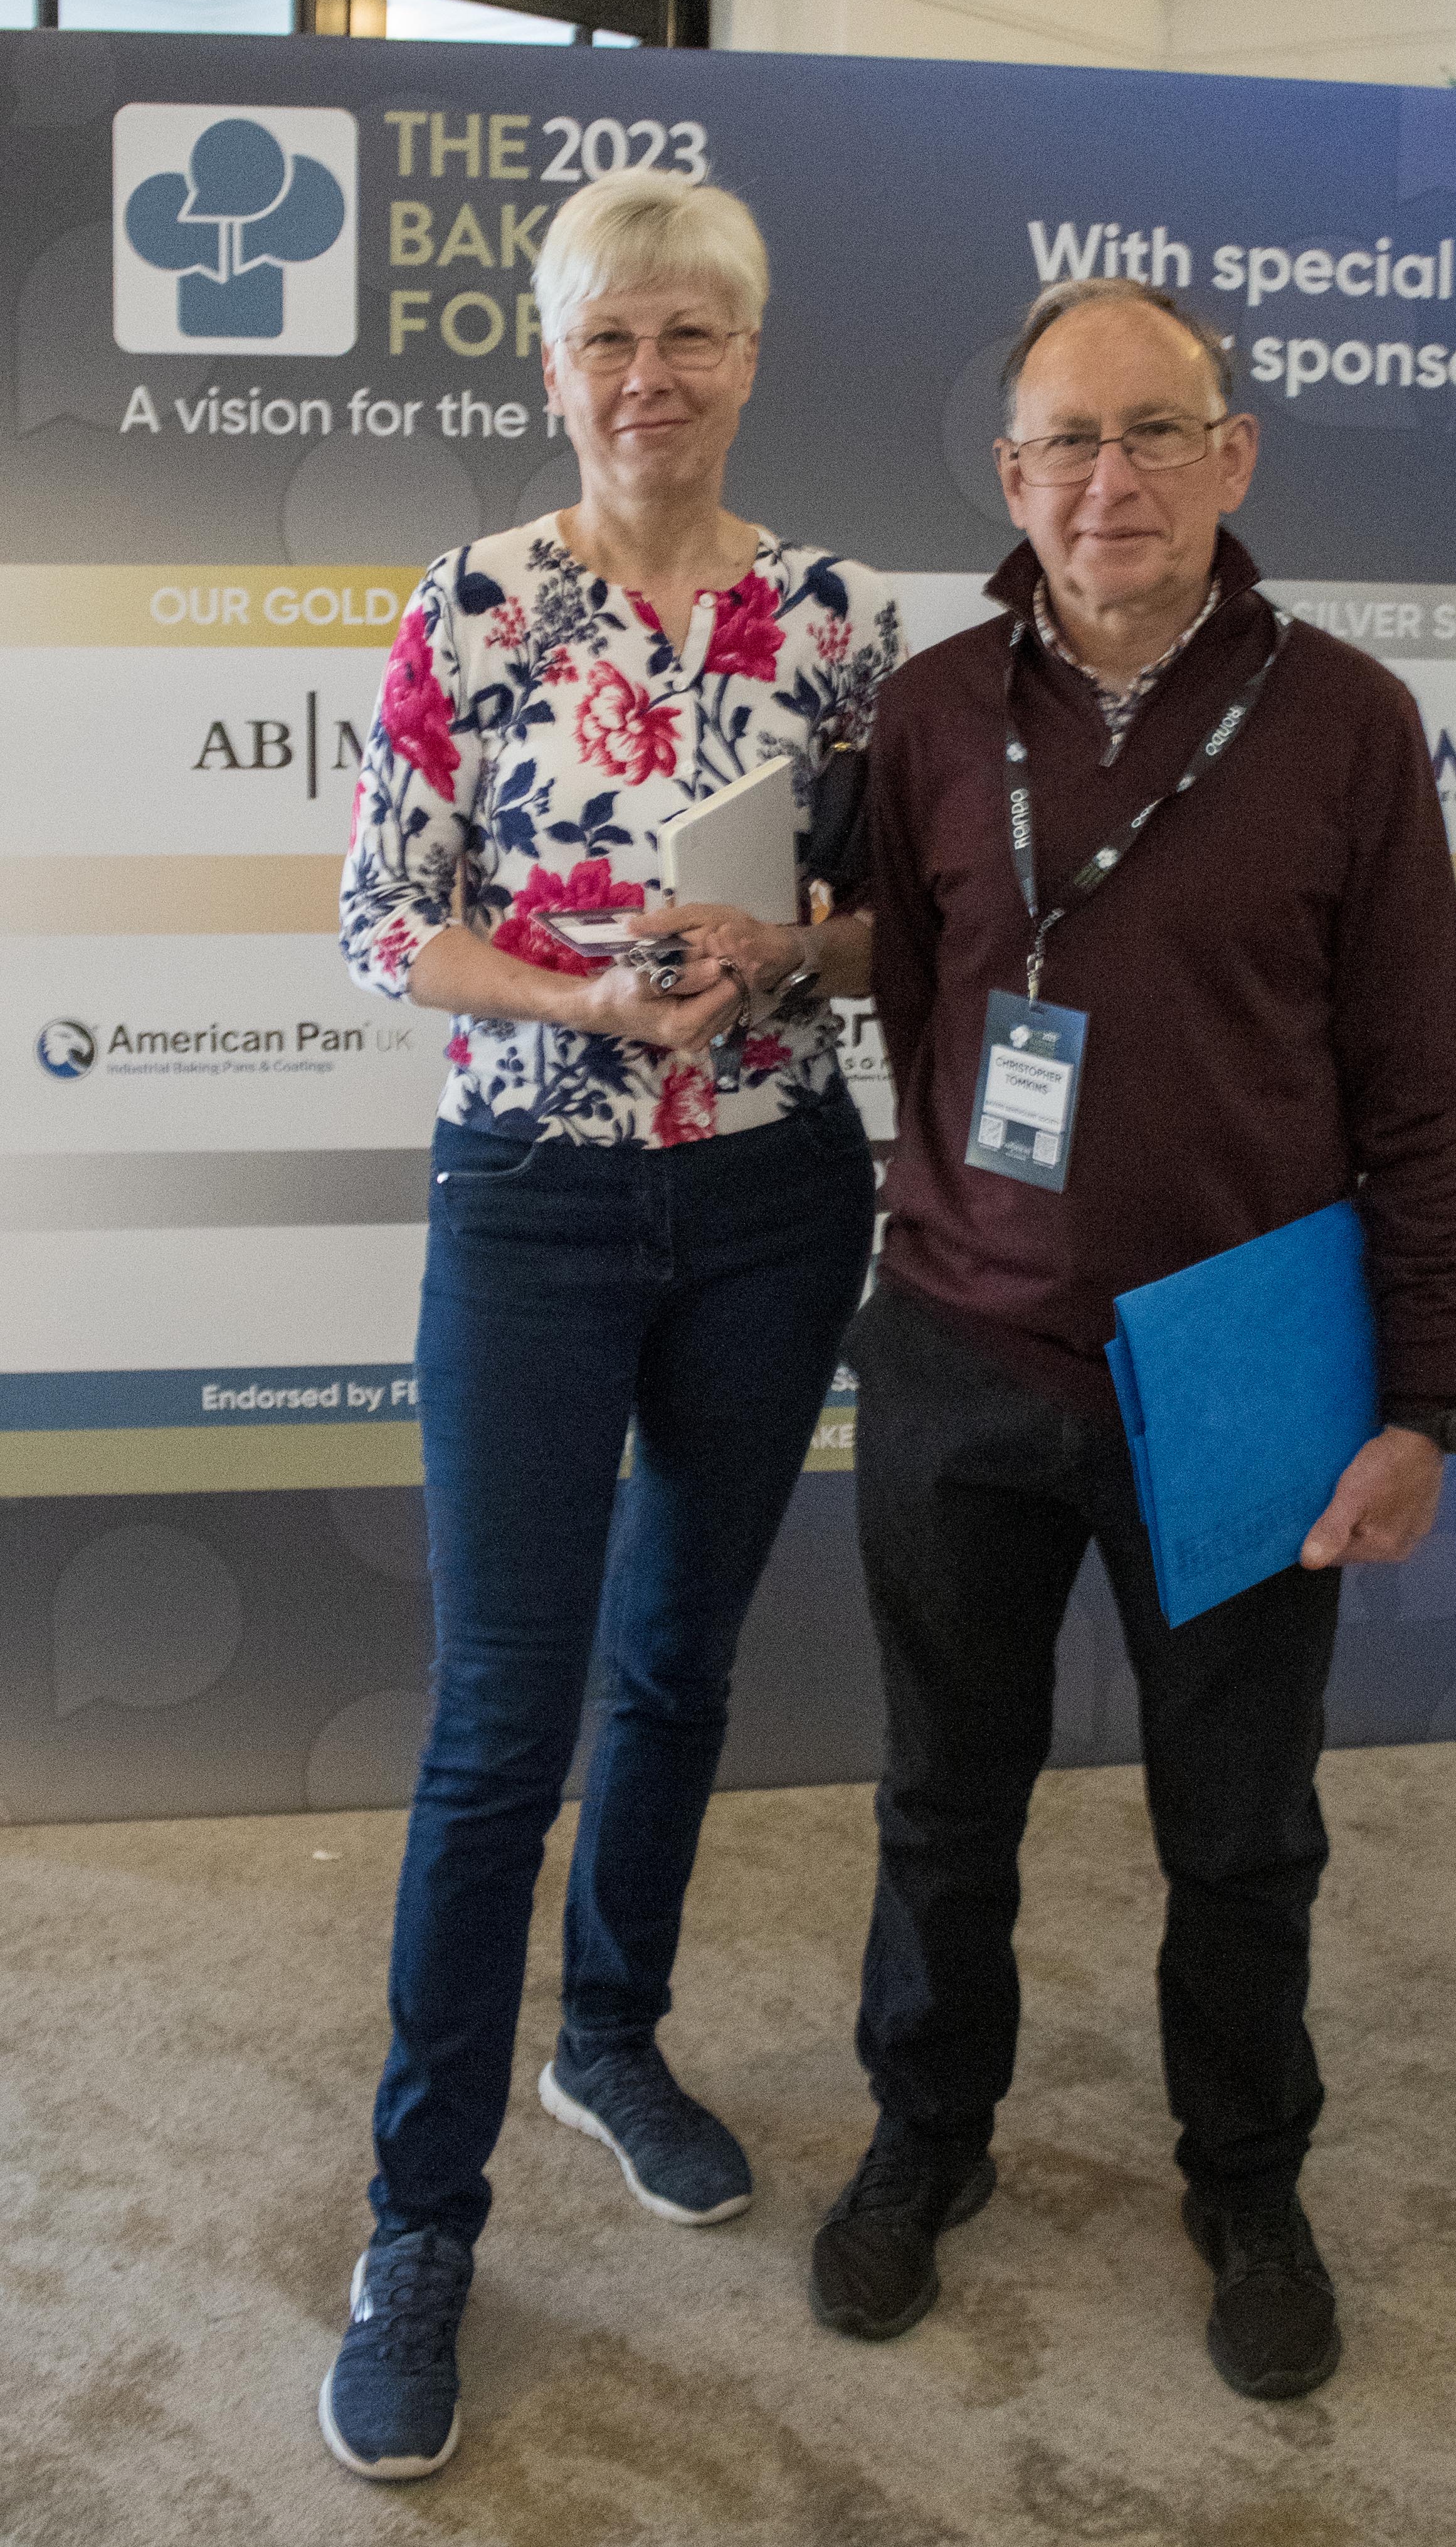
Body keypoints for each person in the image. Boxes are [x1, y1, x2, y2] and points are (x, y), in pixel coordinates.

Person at [809, 277, 1456, 2402]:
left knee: (1243, 1828)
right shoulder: (930, 713)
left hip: (1242, 1375)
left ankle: (1249, 2181)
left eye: (1156, 432)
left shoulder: (1348, 720)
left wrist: (1420, 1402)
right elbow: (904, 996)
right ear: (1011, 478)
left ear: (1234, 456)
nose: (1111, 481)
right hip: (958, 1351)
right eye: (1068, 444)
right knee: (944, 1804)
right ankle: (930, 2139)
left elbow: (1422, 1093)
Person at [324, 166, 902, 2482]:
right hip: (537, 1198)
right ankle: (418, 2227)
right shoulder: (468, 606)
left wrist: (791, 954)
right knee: (497, 1731)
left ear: (748, 356)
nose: (647, 376)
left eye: (688, 334)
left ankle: (612, 2040)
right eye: (607, 340)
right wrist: (583, 1000)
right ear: (553, 367)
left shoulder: (839, 619)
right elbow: (386, 924)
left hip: (776, 1196)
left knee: (678, 1666)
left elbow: (896, 923)